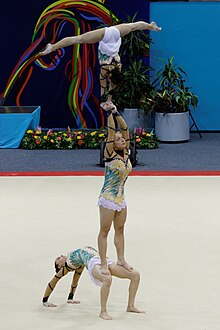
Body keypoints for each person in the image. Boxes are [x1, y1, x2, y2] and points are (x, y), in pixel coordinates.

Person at [40, 21, 161, 102]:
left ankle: (151, 26)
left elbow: (112, 86)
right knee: (78, 39)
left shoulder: (117, 66)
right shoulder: (105, 69)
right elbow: (105, 86)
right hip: (107, 36)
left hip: (115, 33)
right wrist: (107, 101)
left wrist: (108, 101)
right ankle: (52, 47)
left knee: (134, 26)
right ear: (111, 77)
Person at [42, 246, 143, 320]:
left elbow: (75, 280)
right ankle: (103, 311)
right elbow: (53, 281)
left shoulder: (77, 265)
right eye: (58, 259)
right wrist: (45, 300)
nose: (60, 256)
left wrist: (70, 298)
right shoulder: (67, 265)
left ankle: (130, 306)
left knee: (135, 275)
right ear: (59, 266)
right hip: (93, 263)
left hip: (104, 260)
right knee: (107, 279)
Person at [97, 101, 133, 275]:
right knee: (105, 230)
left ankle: (121, 259)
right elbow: (112, 131)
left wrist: (117, 112)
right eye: (118, 139)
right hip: (108, 197)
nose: (121, 140)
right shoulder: (109, 152)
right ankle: (103, 262)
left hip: (120, 197)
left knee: (120, 229)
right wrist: (109, 114)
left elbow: (125, 129)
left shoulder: (126, 153)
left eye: (122, 139)